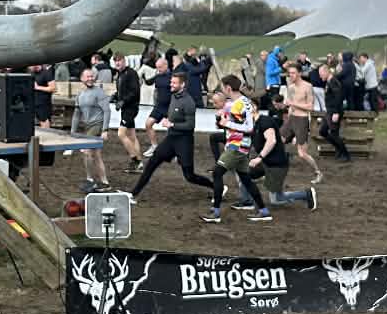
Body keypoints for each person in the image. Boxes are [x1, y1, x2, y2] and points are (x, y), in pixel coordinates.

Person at [129, 67, 217, 205]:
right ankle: (133, 194)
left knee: (189, 176)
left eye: (174, 83)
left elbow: (190, 126)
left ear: (182, 85)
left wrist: (171, 125)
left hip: (184, 141)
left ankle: (217, 187)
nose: (171, 85)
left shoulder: (188, 102)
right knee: (152, 162)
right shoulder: (173, 96)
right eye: (171, 82)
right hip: (171, 139)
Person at [204, 75, 272, 222]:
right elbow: (231, 123)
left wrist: (227, 124)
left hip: (237, 146)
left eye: (222, 88)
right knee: (246, 180)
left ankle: (215, 213)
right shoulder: (237, 103)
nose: (222, 90)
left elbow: (249, 127)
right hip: (240, 147)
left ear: (228, 88)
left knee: (217, 173)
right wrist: (221, 122)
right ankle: (264, 210)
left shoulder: (240, 104)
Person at [249, 90, 319, 210]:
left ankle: (306, 194)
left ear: (254, 107)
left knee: (276, 200)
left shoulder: (266, 121)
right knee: (243, 173)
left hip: (276, 164)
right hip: (267, 162)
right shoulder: (253, 123)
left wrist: (259, 158)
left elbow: (272, 141)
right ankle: (246, 202)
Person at [280, 64, 326, 185]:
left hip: (302, 120)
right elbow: (288, 104)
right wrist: (286, 110)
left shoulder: (308, 86)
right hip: (291, 119)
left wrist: (294, 104)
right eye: (289, 73)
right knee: (276, 142)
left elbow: (310, 107)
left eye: (293, 73)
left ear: (299, 73)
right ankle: (267, 171)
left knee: (302, 153)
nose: (291, 75)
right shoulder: (290, 87)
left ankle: (318, 172)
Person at [71, 69, 113, 192]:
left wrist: (105, 129)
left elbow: (107, 111)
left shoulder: (99, 92)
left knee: (87, 152)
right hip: (88, 126)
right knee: (96, 155)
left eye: (91, 76)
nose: (90, 78)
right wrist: (72, 132)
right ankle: (104, 182)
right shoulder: (80, 95)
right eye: (87, 76)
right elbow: (76, 114)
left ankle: (90, 179)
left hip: (98, 125)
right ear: (82, 79)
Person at [113, 54, 145, 171]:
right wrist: (116, 96)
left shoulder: (131, 73)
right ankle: (140, 164)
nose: (118, 63)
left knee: (121, 133)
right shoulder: (120, 74)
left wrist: (123, 101)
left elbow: (135, 91)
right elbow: (122, 90)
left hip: (131, 108)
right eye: (115, 61)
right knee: (132, 135)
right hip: (125, 108)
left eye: (119, 61)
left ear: (124, 61)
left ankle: (135, 159)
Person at [321, 61, 354, 161]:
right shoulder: (329, 82)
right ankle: (339, 149)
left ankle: (345, 154)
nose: (320, 76)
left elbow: (338, 97)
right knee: (322, 131)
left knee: (334, 134)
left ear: (327, 72)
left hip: (334, 111)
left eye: (321, 74)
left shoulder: (333, 81)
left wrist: (336, 112)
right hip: (329, 111)